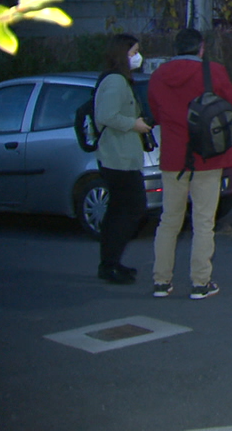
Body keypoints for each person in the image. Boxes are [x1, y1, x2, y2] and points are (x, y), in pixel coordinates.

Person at [148, 28, 232, 300]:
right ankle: (200, 283)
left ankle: (161, 281)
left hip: (173, 158)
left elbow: (155, 112)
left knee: (169, 221)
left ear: (175, 48)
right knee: (203, 222)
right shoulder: (213, 72)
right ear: (201, 48)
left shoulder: (158, 76)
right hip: (208, 156)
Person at [93, 33, 153, 285]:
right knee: (131, 209)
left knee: (118, 211)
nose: (137, 57)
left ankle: (110, 263)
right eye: (133, 52)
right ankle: (110, 263)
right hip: (118, 158)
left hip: (121, 156)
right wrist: (134, 124)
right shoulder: (116, 81)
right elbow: (107, 115)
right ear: (122, 54)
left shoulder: (118, 80)